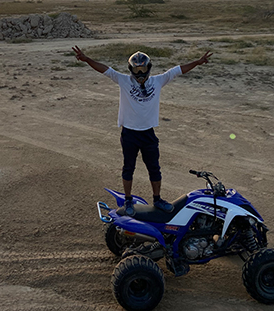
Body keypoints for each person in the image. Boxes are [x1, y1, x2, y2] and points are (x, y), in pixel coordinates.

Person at [72, 46, 212, 216]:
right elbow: (105, 69)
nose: (140, 73)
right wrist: (87, 60)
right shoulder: (124, 80)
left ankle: (157, 199)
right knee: (128, 168)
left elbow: (177, 71)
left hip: (148, 134)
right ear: (131, 70)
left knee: (154, 168)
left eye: (143, 69)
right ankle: (128, 200)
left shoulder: (158, 81)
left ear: (149, 68)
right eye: (136, 69)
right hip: (130, 133)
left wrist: (197, 62)